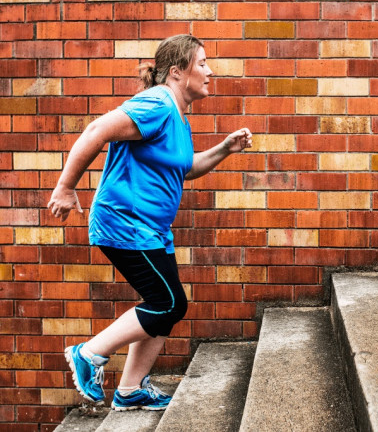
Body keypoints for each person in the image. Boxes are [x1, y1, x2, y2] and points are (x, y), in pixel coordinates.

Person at [47, 34, 253, 411]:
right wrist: (65, 187)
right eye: (202, 63)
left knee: (165, 303)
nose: (210, 72)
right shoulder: (156, 103)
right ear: (176, 72)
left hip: (151, 229)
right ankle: (89, 354)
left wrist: (225, 148)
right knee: (168, 302)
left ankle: (130, 390)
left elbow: (184, 170)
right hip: (125, 223)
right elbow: (96, 131)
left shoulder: (176, 114)